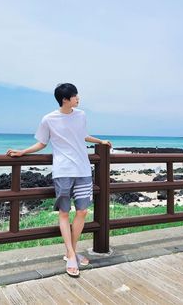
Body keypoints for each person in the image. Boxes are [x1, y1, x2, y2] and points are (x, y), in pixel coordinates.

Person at [6, 83, 112, 277]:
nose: (78, 98)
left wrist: (101, 141)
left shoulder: (81, 115)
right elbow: (42, 142)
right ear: (65, 99)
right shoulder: (49, 119)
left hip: (83, 170)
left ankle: (70, 251)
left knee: (82, 211)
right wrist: (22, 152)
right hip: (63, 171)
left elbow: (82, 136)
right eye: (75, 95)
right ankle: (71, 255)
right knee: (64, 213)